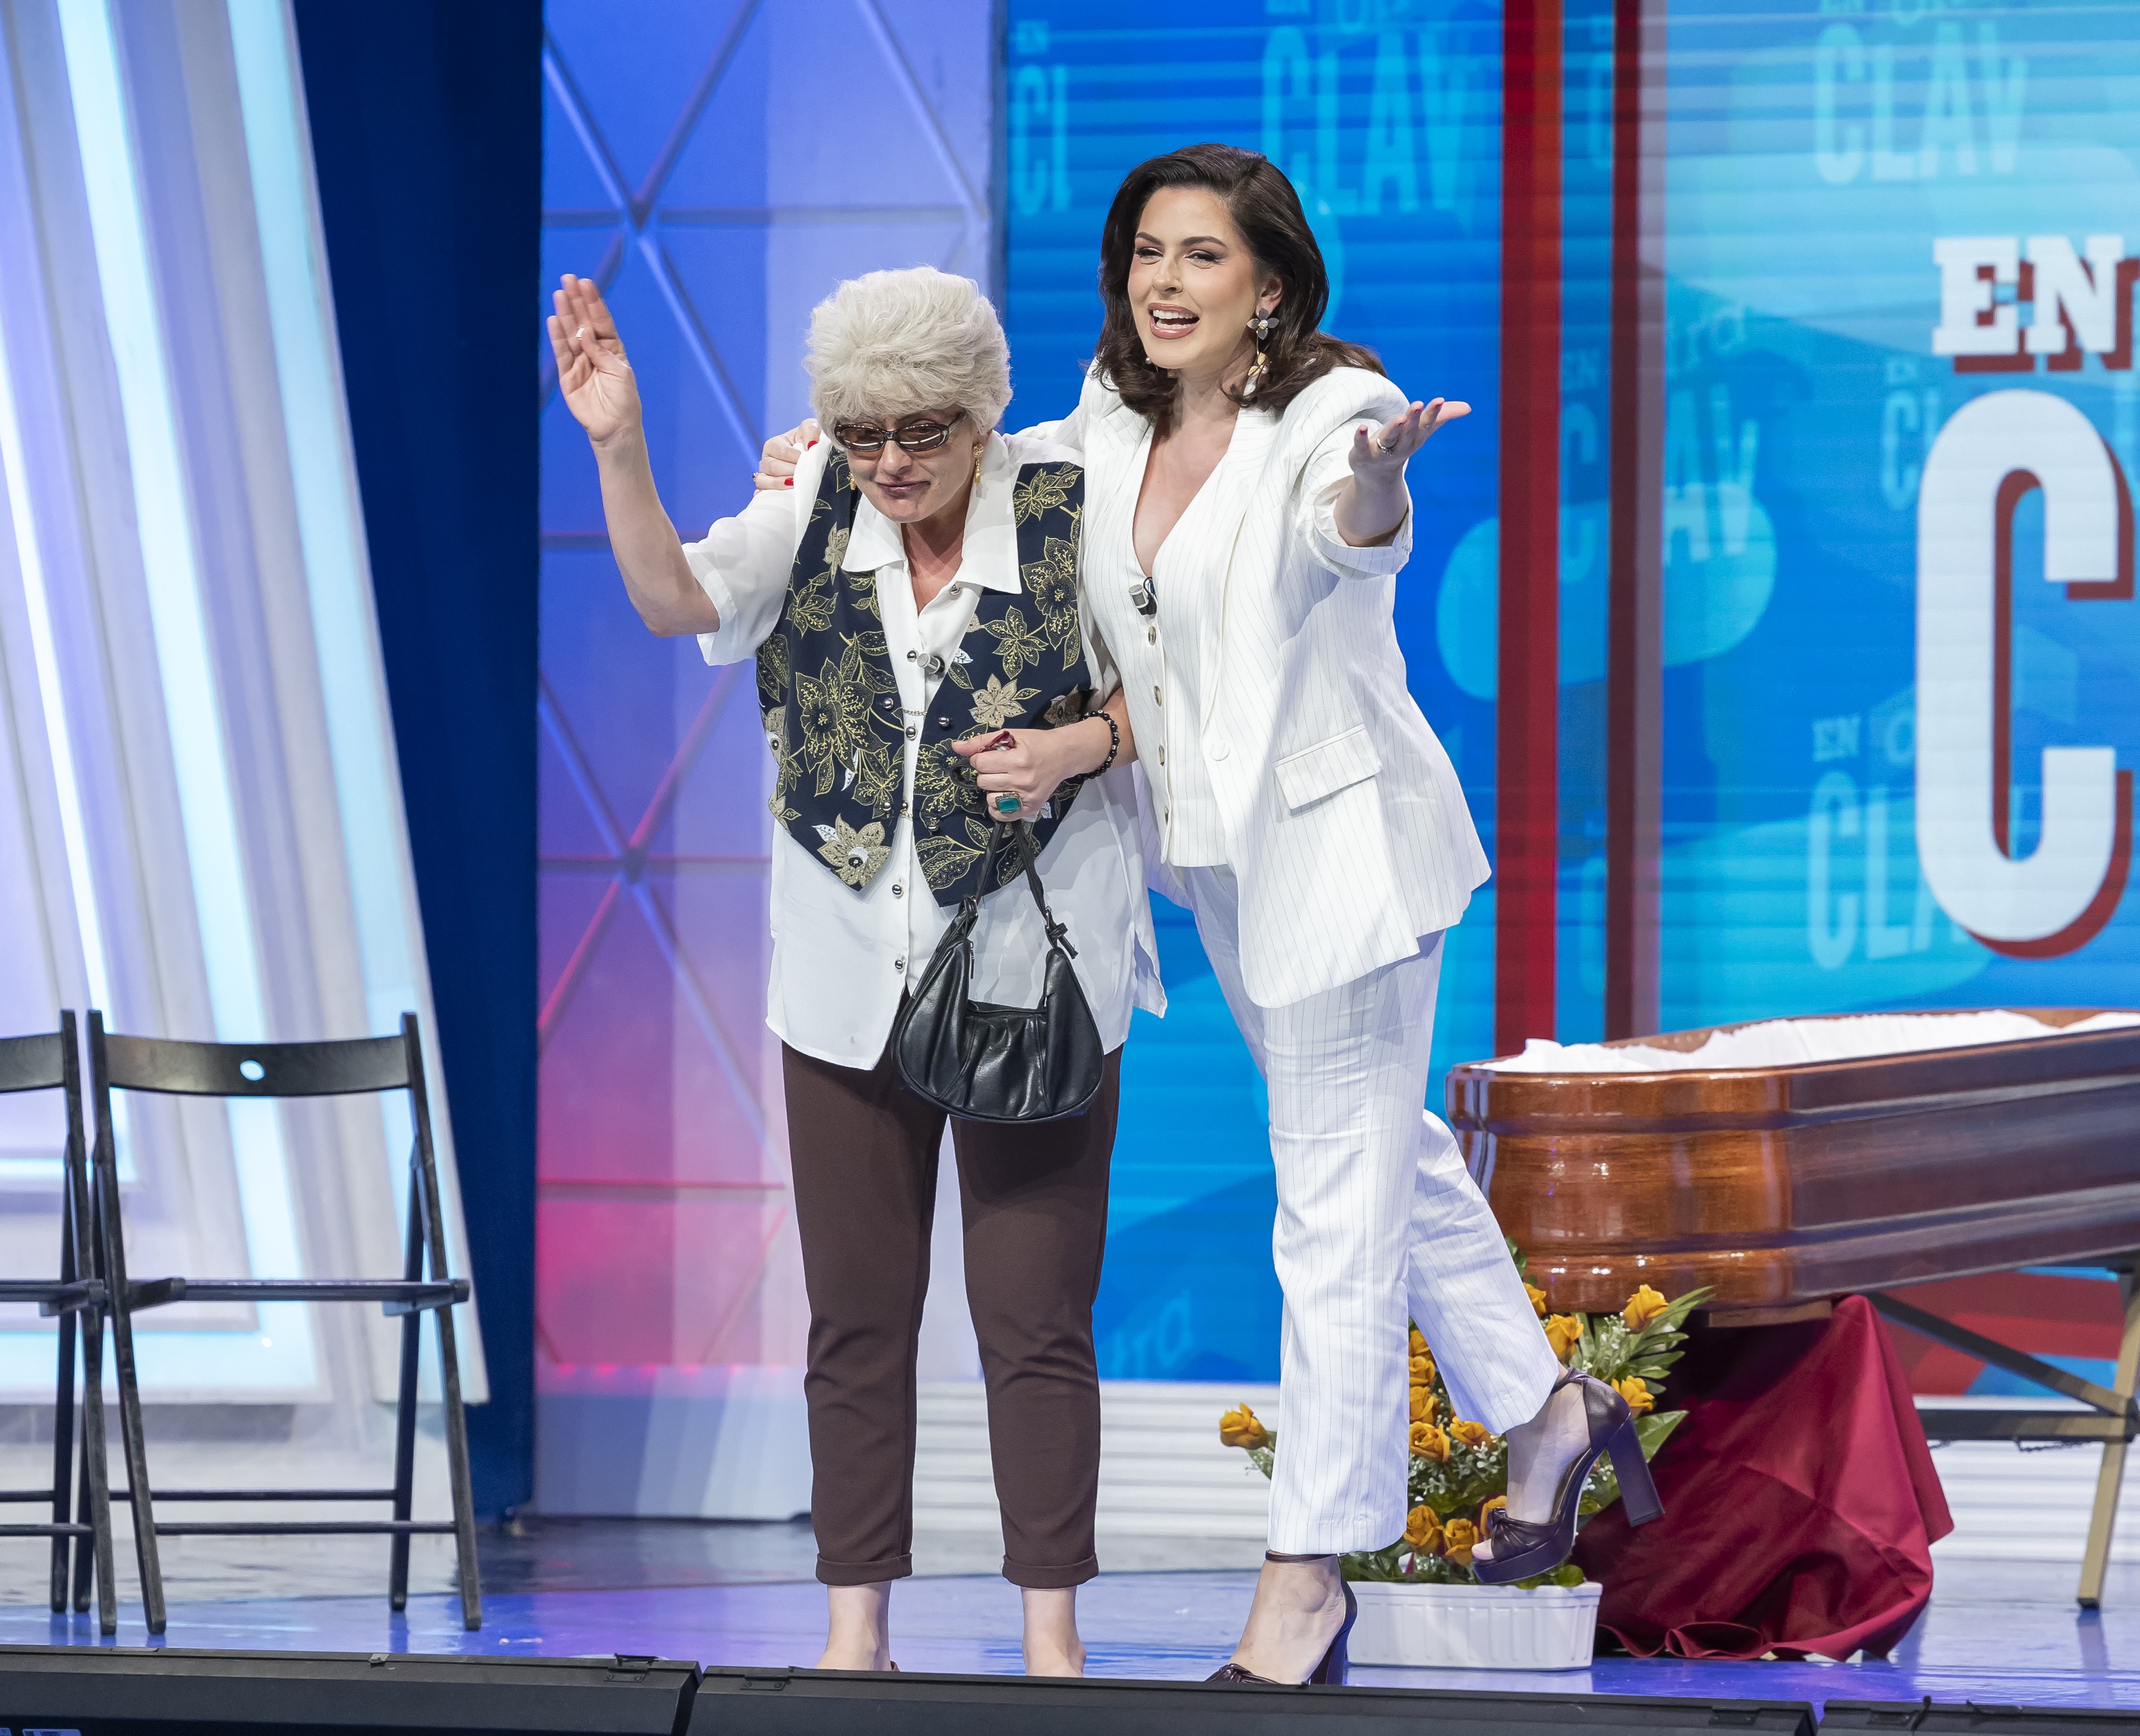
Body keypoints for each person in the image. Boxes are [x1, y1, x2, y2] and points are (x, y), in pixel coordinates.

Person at [764, 144, 1663, 1682]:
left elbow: (1340, 530)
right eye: (1146, 253)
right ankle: (1547, 1413)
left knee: (1330, 1209)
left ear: (1269, 285)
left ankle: (1308, 1574)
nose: (1166, 282)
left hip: (1341, 856)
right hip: (1223, 867)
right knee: (1382, 1157)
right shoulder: (1106, 419)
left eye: (1201, 256)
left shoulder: (1328, 411)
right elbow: (985, 462)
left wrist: (1379, 485)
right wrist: (835, 453)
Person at [547, 265, 1158, 1676]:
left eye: (920, 433)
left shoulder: (1068, 506)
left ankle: (1051, 1643)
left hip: (1028, 981)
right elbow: (673, 599)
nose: (890, 462)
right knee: (857, 1321)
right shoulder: (810, 494)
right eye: (864, 431)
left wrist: (1074, 745)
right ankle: (855, 1631)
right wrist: (619, 444)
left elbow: (1174, 692)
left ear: (981, 414)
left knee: (1035, 1322)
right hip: (841, 984)